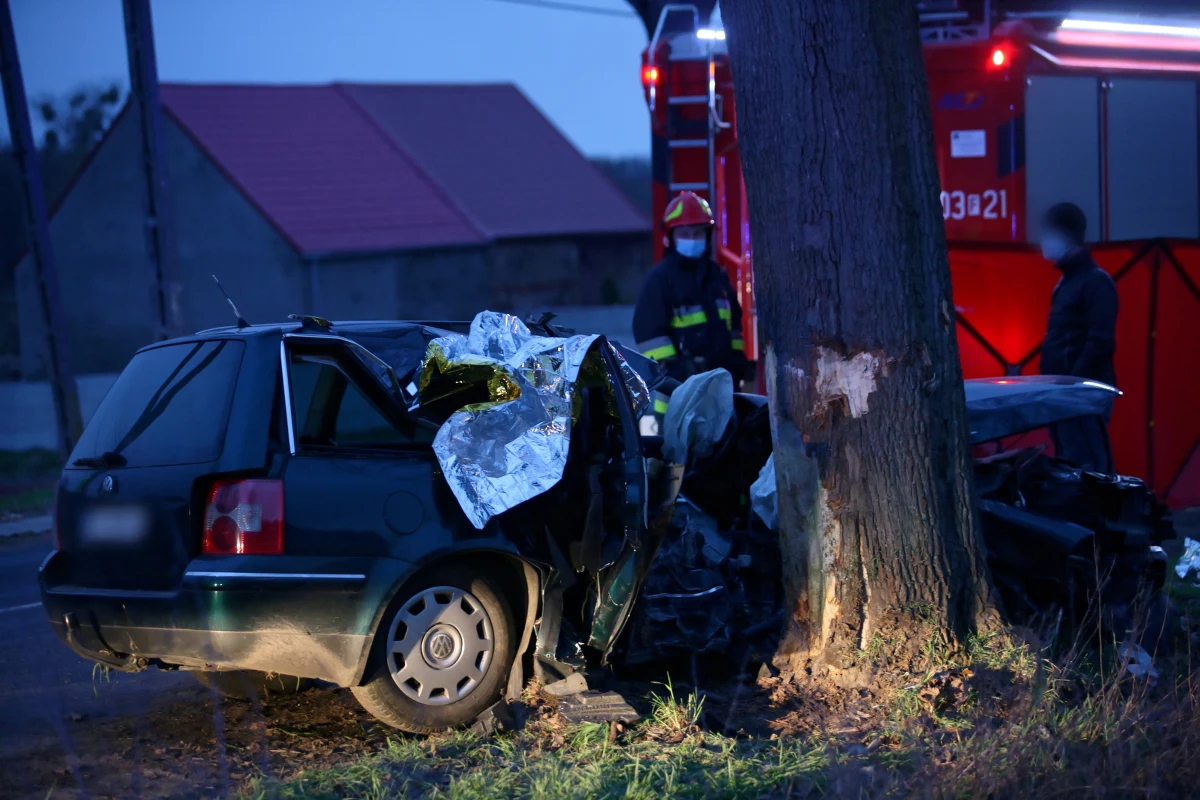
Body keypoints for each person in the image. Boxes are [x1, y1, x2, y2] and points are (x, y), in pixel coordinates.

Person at [634, 191, 748, 416]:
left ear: (707, 236)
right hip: (675, 396)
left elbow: (734, 327)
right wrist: (674, 369)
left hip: (720, 389)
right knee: (670, 448)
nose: (692, 239)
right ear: (671, 237)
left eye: (697, 233)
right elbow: (648, 333)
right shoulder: (660, 279)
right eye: (685, 233)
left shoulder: (717, 277)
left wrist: (737, 364)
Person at [1038, 201, 1118, 472]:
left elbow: (1100, 341)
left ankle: (1099, 512)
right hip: (1061, 396)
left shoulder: (1096, 282)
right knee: (1069, 464)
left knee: (1088, 465)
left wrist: (1074, 382)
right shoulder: (1066, 283)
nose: (1043, 241)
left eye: (1049, 233)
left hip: (1080, 398)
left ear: (1067, 235)